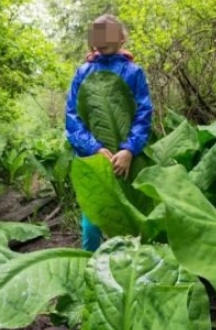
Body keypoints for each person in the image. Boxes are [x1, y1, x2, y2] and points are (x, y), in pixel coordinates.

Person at [65, 14, 153, 251]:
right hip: (94, 159)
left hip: (127, 161)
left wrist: (129, 150)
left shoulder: (133, 72)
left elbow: (144, 114)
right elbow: (72, 119)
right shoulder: (84, 72)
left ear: (121, 38)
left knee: (130, 217)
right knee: (91, 224)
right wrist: (93, 149)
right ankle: (91, 264)